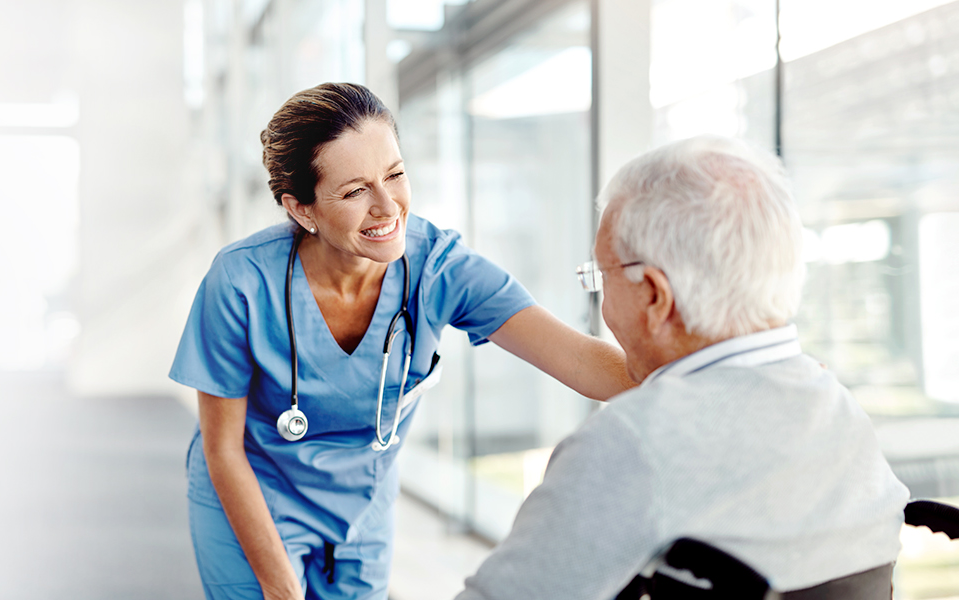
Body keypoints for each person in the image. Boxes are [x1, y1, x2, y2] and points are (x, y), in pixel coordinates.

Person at [169, 82, 635, 600]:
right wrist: (281, 589)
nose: (388, 206)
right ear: (303, 210)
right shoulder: (240, 283)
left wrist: (712, 363)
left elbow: (584, 365)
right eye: (354, 191)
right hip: (254, 493)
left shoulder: (440, 267)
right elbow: (223, 449)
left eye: (394, 175)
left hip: (363, 505)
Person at [454, 135, 910, 598]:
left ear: (653, 296)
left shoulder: (631, 444)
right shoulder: (840, 410)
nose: (602, 302)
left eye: (601, 277)